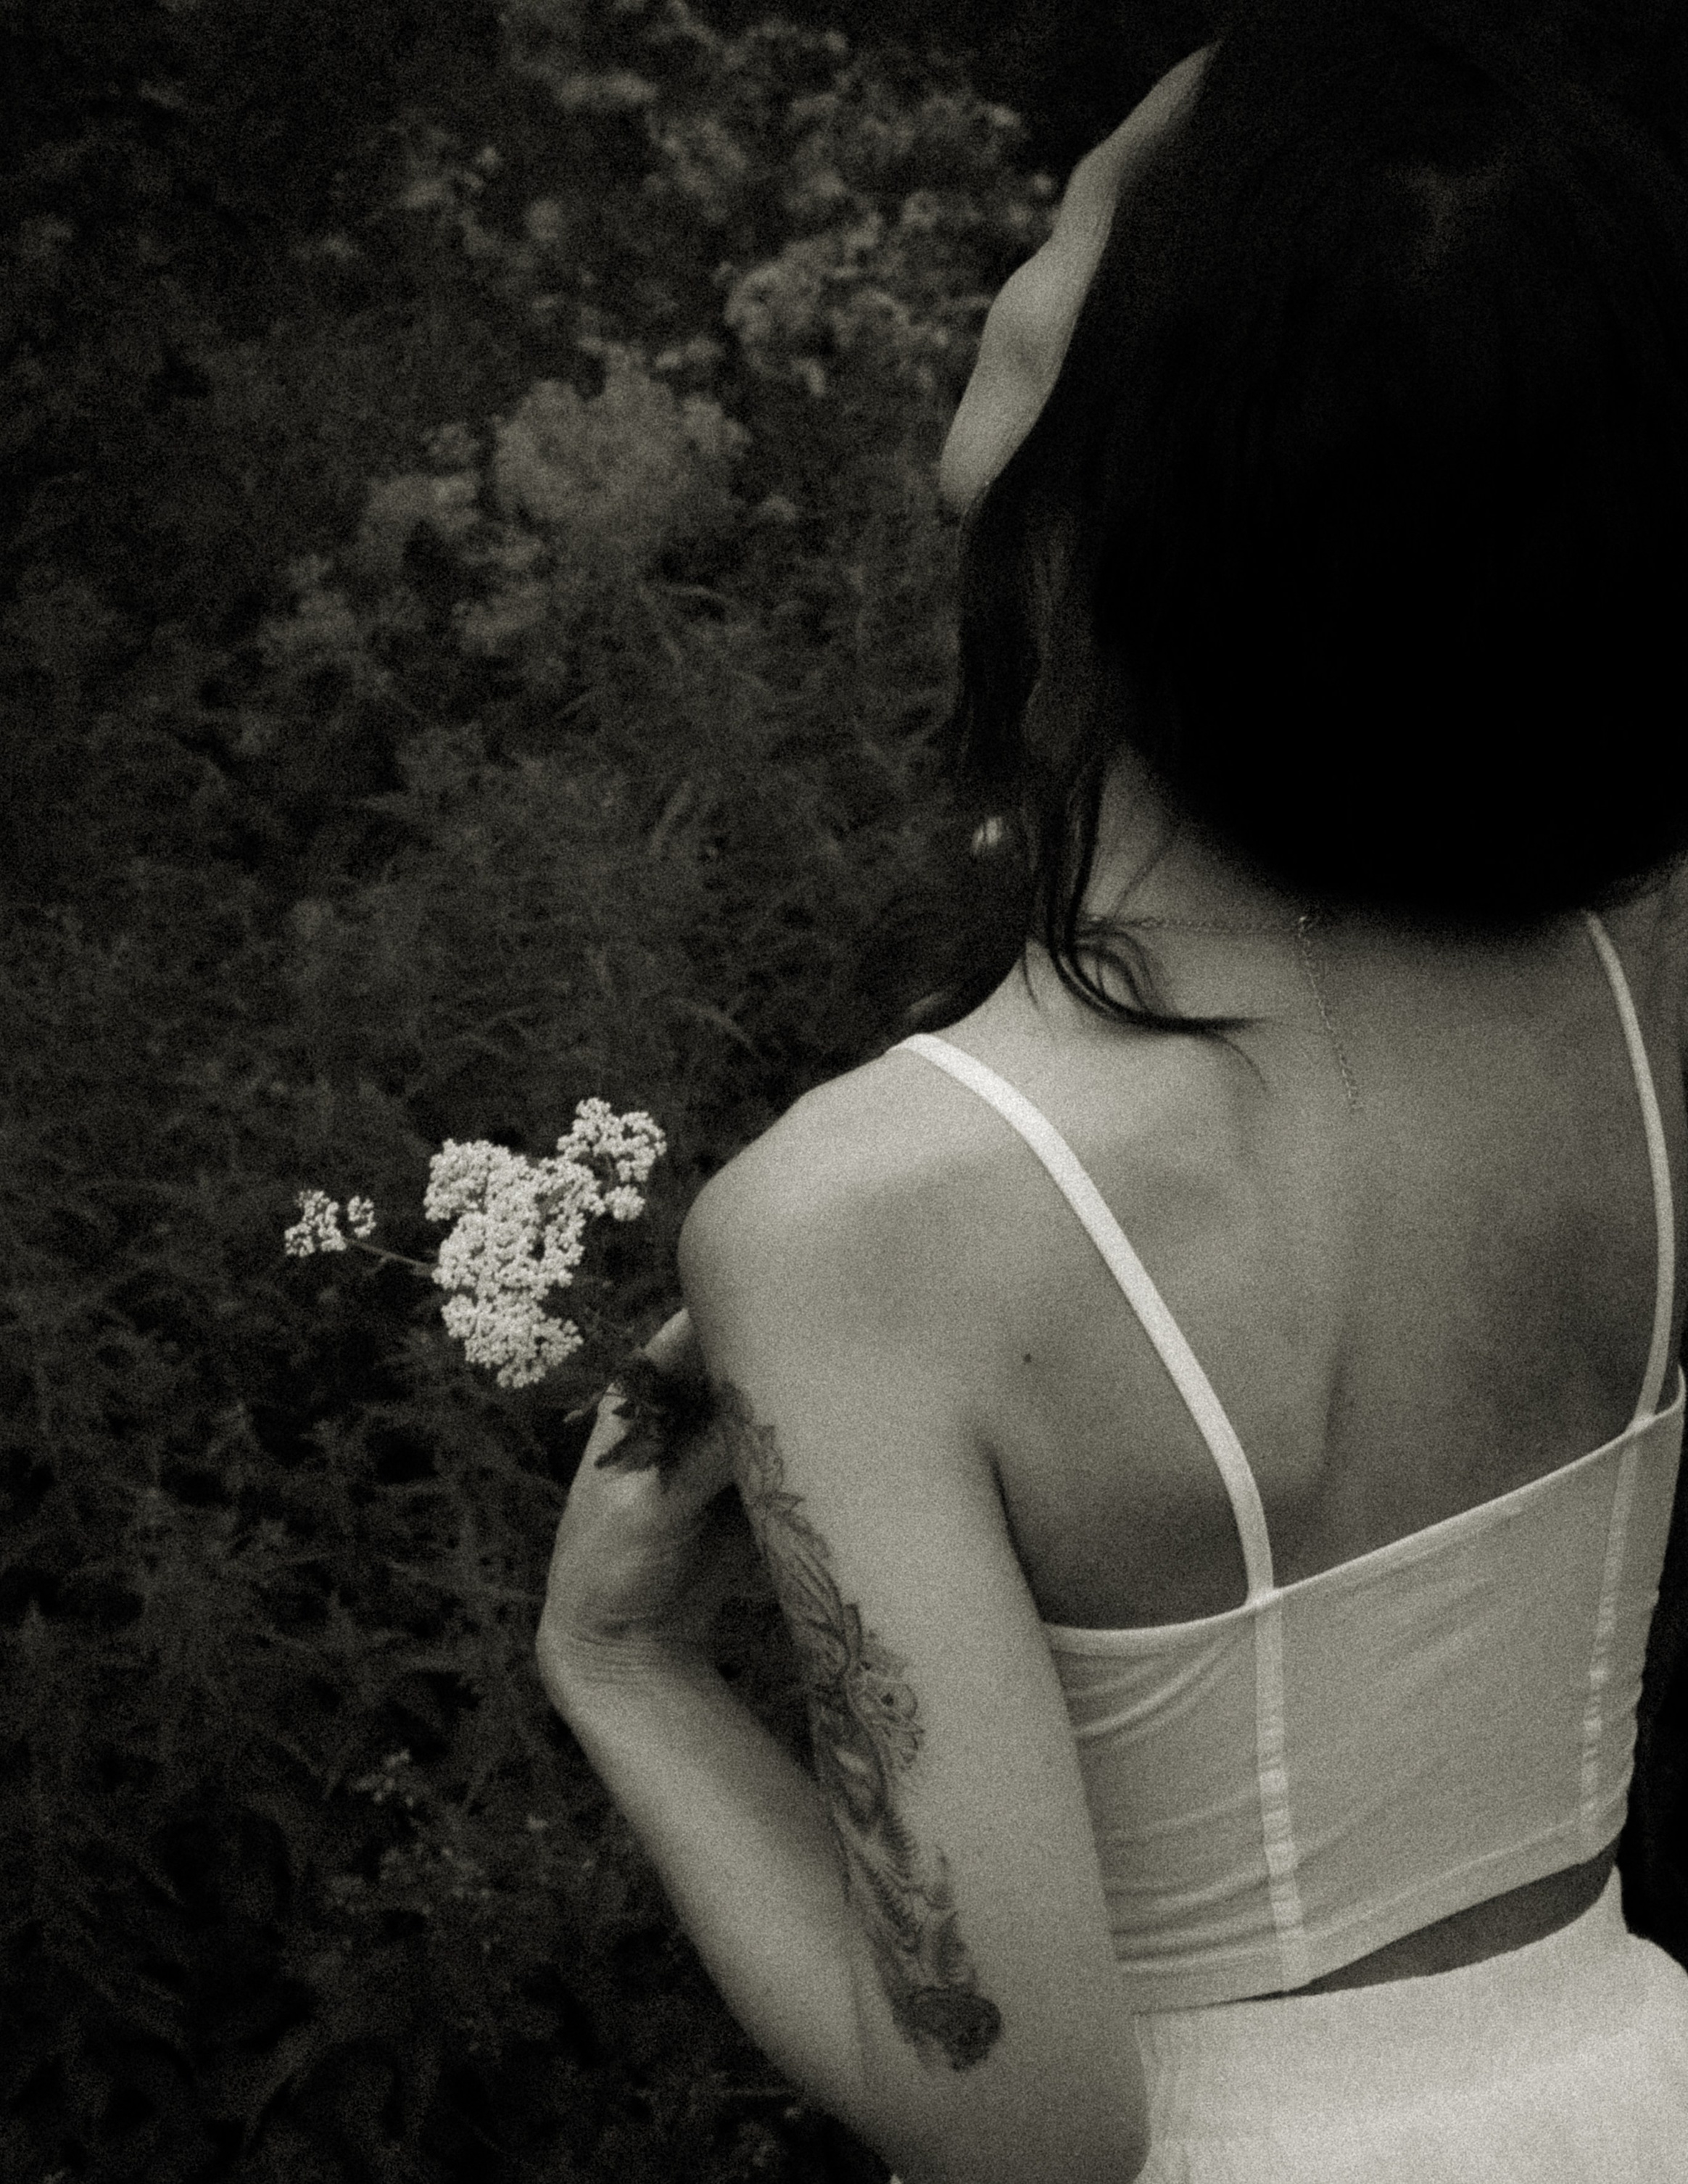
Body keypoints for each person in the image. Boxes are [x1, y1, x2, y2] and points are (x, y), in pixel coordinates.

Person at [537, 1, 1688, 2176]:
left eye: (1078, 216)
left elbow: (1027, 2131)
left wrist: (626, 1670)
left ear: (1145, 419)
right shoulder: (1639, 962)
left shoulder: (861, 1227)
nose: (1022, 250)